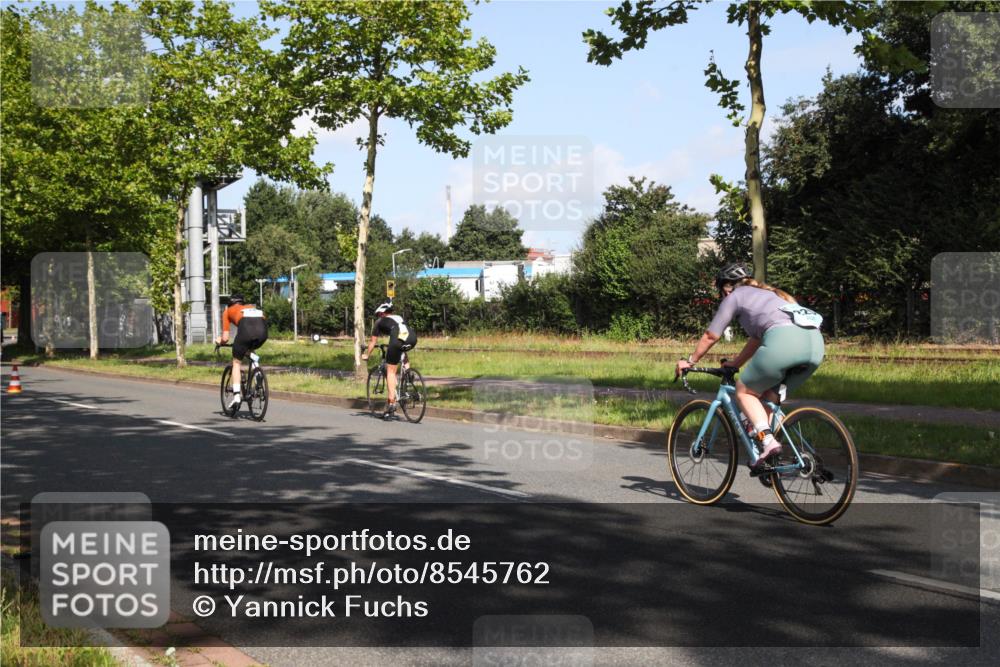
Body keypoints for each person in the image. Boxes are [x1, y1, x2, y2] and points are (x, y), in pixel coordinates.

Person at [676, 263, 825, 468]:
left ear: (727, 287)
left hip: (785, 342)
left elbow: (711, 335)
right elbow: (756, 341)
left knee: (744, 392)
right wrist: (735, 364)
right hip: (815, 346)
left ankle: (768, 442)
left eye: (722, 291)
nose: (723, 295)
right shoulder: (770, 296)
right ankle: (777, 463)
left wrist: (690, 361)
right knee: (767, 401)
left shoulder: (736, 296)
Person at [362, 301, 417, 419]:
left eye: (378, 315)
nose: (378, 317)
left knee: (390, 371)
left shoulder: (379, 322)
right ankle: (408, 376)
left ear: (381, 314)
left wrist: (367, 355)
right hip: (412, 338)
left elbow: (373, 341)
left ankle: (391, 403)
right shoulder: (399, 317)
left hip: (397, 339)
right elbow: (401, 333)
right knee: (402, 350)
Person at [215, 294, 268, 409]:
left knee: (236, 362)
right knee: (250, 349)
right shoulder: (250, 307)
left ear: (230, 303)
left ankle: (237, 397)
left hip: (246, 330)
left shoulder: (228, 311)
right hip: (263, 331)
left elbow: (225, 338)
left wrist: (219, 341)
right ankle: (257, 371)